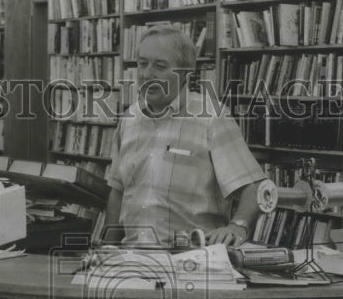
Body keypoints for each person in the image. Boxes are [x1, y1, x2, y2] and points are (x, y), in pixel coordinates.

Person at [101, 26, 265, 247]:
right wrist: (107, 248)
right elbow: (118, 190)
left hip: (193, 259)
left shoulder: (212, 118)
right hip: (134, 257)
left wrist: (238, 226)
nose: (147, 74)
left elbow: (253, 187)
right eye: (142, 63)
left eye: (159, 66)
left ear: (186, 72)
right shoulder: (129, 118)